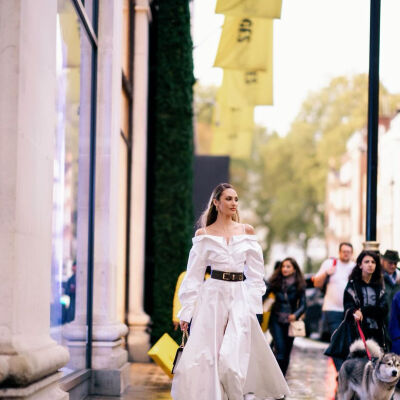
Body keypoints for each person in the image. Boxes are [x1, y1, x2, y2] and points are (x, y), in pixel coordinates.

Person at [171, 183, 289, 400]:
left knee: (231, 361)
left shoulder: (247, 232)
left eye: (236, 199)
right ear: (216, 203)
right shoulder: (204, 234)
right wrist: (186, 313)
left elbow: (255, 273)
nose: (234, 203)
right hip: (212, 298)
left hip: (239, 298)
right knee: (209, 358)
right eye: (228, 199)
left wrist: (254, 306)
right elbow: (194, 276)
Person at [312, 242, 355, 372]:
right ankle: (340, 372)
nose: (346, 253)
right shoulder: (330, 264)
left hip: (350, 311)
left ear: (352, 253)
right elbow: (316, 283)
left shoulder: (355, 267)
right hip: (332, 309)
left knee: (349, 343)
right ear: (339, 252)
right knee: (336, 341)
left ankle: (346, 371)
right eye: (344, 251)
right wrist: (326, 273)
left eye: (348, 251)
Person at [265, 257, 306, 376]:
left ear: (294, 269)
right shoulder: (275, 281)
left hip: (290, 322)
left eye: (288, 267)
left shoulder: (300, 284)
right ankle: (276, 380)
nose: (285, 269)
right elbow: (264, 295)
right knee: (280, 352)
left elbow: (303, 305)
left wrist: (295, 315)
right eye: (283, 266)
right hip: (276, 319)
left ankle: (282, 379)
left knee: (286, 353)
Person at [343, 250, 389, 350]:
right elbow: (348, 306)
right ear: (360, 265)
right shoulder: (353, 285)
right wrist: (354, 312)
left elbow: (383, 309)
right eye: (366, 262)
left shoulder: (380, 286)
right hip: (357, 331)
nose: (370, 265)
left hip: (377, 331)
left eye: (373, 262)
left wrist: (363, 310)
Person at [381, 250, 400, 318]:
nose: (393, 266)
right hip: (383, 318)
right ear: (383, 261)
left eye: (395, 263)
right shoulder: (377, 277)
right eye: (390, 263)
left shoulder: (398, 275)